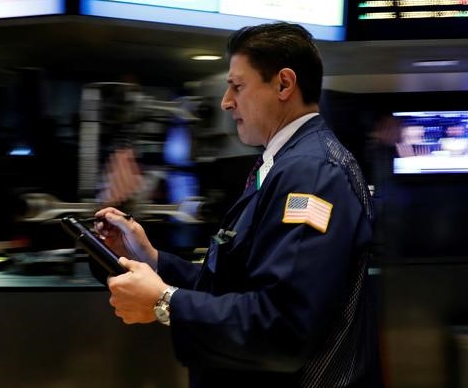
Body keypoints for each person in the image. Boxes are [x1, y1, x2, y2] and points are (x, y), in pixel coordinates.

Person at [93, 22, 380, 388]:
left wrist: (165, 302)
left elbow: (282, 328)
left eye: (238, 86)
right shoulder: (282, 163)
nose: (226, 101)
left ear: (284, 84)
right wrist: (153, 259)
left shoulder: (311, 172)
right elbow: (238, 285)